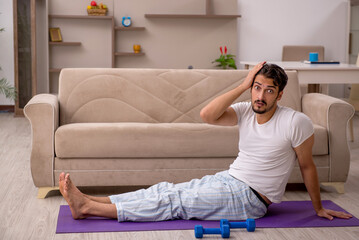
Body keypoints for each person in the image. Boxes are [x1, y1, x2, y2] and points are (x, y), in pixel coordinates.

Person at [59, 62, 352, 222]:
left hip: (250, 200)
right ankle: (89, 201)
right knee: (166, 189)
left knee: (174, 202)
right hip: (229, 180)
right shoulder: (246, 111)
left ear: (280, 94)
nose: (260, 96)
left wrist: (317, 208)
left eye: (269, 91)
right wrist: (242, 84)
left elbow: (307, 166)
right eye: (257, 88)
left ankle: (88, 209)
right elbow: (207, 115)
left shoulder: (295, 121)